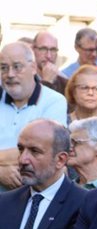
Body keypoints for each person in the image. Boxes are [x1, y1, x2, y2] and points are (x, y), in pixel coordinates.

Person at [0, 41, 67, 191]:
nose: (10, 74)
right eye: (4, 68)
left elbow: (41, 152)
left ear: (33, 68)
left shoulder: (54, 101)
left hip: (35, 190)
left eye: (17, 67)